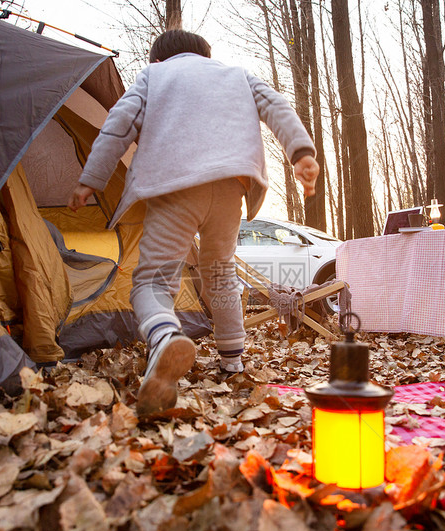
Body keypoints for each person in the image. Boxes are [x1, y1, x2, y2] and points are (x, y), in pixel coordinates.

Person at [68, 29, 319, 417]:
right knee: (219, 271)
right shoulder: (235, 73)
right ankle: (233, 360)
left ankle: (165, 334)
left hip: (175, 186)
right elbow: (276, 105)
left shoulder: (154, 76)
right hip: (231, 187)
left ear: (157, 59)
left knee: (153, 278)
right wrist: (300, 152)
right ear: (206, 54)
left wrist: (91, 180)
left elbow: (120, 123)